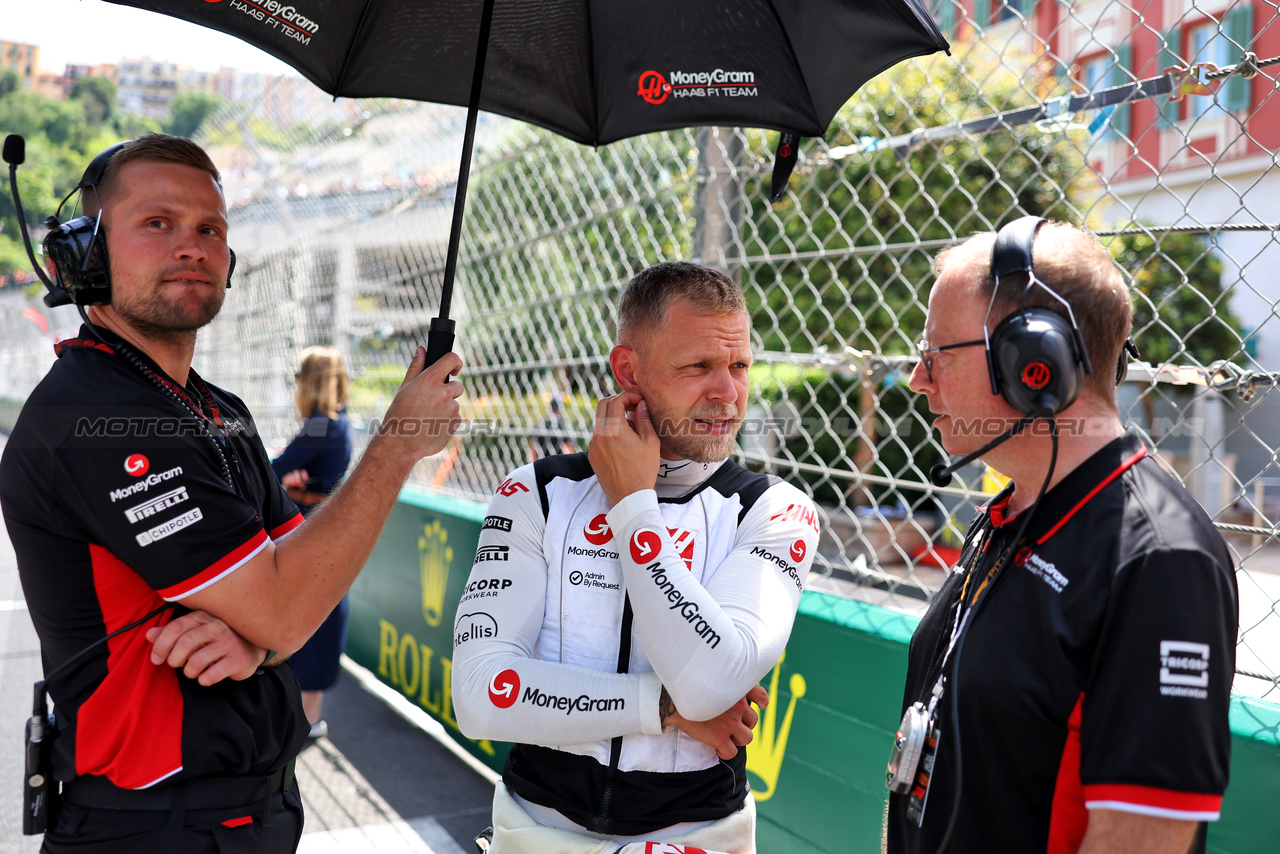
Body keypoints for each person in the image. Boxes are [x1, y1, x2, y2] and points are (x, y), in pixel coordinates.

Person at [0, 134, 464, 853]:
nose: (192, 245)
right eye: (158, 223)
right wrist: (398, 443)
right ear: (85, 253)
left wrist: (258, 641)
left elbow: (299, 596)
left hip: (256, 812)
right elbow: (288, 600)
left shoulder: (219, 409)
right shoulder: (91, 417)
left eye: (210, 229)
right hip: (151, 826)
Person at [886, 219, 1237, 853]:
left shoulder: (1160, 560)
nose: (918, 378)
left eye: (936, 353)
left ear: (1034, 363)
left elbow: (1141, 841)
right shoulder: (1008, 513)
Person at [452, 261, 821, 854]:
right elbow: (480, 696)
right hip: (535, 831)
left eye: (740, 365)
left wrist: (631, 504)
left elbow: (710, 684)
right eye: (698, 366)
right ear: (628, 369)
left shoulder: (778, 510)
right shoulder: (534, 494)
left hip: (698, 837)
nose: (728, 391)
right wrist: (661, 707)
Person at [271, 346, 354, 739]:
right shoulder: (338, 423)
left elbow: (272, 470)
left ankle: (305, 722)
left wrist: (286, 472)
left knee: (310, 618)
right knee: (318, 616)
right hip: (326, 524)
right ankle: (308, 718)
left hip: (312, 527)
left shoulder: (321, 424)